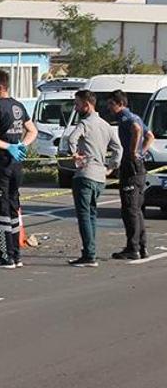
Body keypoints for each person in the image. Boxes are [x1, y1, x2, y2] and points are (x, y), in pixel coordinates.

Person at [0, 70, 38, 269]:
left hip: (0, 163)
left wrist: (9, 146)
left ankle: (6, 255)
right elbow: (33, 131)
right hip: (16, 165)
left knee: (1, 208)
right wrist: (22, 145)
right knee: (14, 207)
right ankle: (16, 255)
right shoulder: (19, 105)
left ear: (0, 87)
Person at [67, 90, 123, 267]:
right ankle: (89, 252)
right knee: (91, 214)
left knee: (84, 215)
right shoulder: (106, 125)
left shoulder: (85, 123)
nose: (75, 108)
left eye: (77, 104)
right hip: (99, 177)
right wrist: (111, 167)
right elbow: (118, 149)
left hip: (85, 175)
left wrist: (75, 154)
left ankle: (89, 255)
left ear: (87, 104)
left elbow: (71, 138)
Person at [107, 90, 155, 260]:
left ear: (119, 103)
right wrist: (142, 151)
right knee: (137, 208)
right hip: (139, 166)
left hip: (131, 166)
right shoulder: (136, 116)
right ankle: (141, 246)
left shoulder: (126, 117)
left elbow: (136, 130)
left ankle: (133, 248)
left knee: (129, 209)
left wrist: (134, 152)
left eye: (111, 104)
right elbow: (150, 136)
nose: (109, 108)